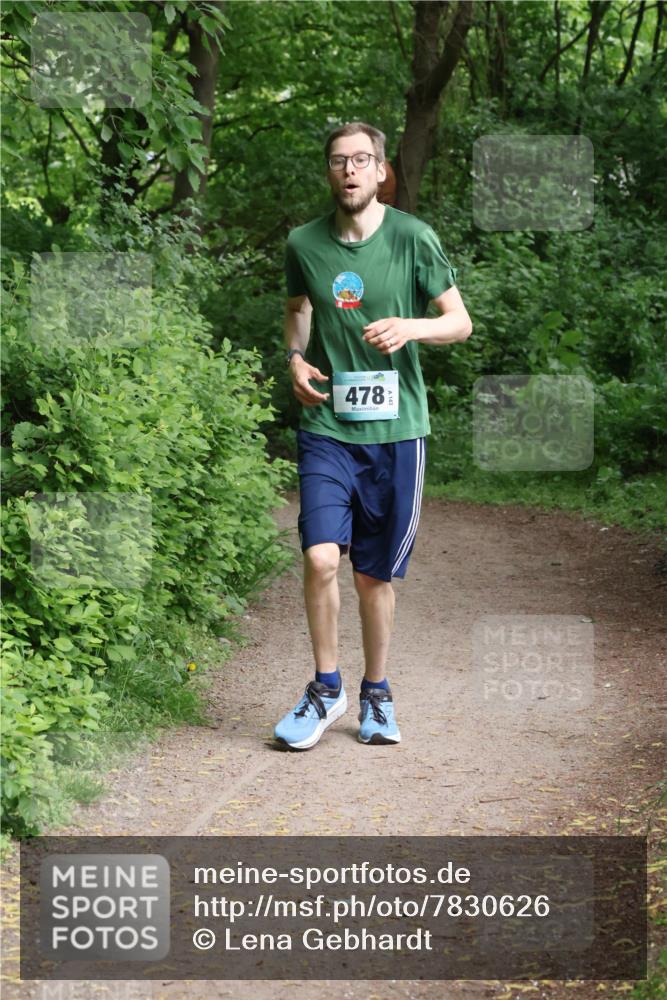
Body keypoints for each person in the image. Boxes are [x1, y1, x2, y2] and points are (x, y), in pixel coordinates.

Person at [274, 121, 472, 750]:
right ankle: (325, 688)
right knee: (320, 556)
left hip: (397, 432)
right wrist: (295, 360)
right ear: (329, 172)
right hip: (328, 427)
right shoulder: (304, 243)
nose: (351, 171)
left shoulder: (413, 238)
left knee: (372, 577)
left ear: (382, 170)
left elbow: (459, 323)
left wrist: (410, 329)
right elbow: (298, 309)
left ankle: (377, 694)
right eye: (339, 161)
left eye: (362, 160)